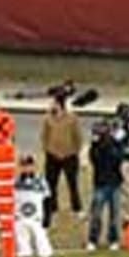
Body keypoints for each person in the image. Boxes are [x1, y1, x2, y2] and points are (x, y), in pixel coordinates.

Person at [40, 94, 83, 228]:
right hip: (52, 155)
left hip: (69, 156)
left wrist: (74, 151)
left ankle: (77, 208)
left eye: (55, 103)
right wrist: (48, 150)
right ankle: (52, 208)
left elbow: (78, 137)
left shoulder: (72, 118)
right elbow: (44, 136)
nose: (52, 106)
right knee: (51, 183)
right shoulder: (47, 118)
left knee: (72, 183)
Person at [14, 155, 55, 257]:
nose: (26, 168)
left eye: (29, 165)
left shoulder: (40, 181)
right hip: (21, 217)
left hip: (36, 217)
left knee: (42, 240)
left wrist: (47, 217)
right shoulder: (15, 182)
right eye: (24, 166)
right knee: (22, 242)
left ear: (33, 166)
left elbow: (48, 199)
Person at [86, 121, 124, 251]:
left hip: (115, 183)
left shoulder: (115, 144)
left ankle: (113, 239)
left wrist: (114, 143)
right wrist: (96, 145)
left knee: (115, 214)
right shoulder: (95, 147)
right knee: (96, 213)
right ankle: (93, 239)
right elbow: (94, 160)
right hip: (100, 183)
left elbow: (118, 159)